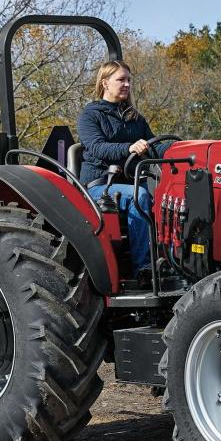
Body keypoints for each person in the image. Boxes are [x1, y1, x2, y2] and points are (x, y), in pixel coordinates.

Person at [77, 60, 154, 278]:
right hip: (100, 186)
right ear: (105, 83)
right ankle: (144, 269)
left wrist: (182, 148)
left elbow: (154, 145)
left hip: (132, 182)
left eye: (129, 80)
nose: (127, 84)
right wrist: (130, 147)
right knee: (138, 196)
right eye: (121, 79)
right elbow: (98, 148)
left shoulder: (135, 118)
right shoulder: (90, 115)